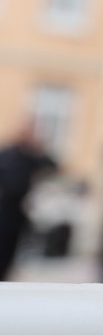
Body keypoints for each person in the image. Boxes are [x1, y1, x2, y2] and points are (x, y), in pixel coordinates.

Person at [0, 118, 57, 280]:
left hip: (19, 212)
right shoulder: (8, 153)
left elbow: (52, 165)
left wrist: (39, 148)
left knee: (10, 253)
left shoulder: (31, 155)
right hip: (5, 209)